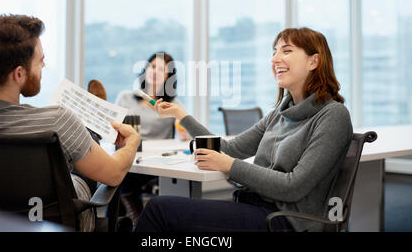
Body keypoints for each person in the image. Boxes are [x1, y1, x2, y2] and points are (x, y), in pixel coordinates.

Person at [135, 27, 353, 232]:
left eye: (286, 51)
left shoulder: (333, 116)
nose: (275, 59)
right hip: (256, 207)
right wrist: (180, 115)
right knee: (162, 211)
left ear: (313, 61)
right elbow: (231, 148)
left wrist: (229, 166)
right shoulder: (280, 112)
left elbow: (292, 186)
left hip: (285, 220)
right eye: (274, 52)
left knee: (158, 211)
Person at [0, 14, 141, 231]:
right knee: (77, 164)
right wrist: (131, 141)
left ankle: (87, 133)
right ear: (19, 73)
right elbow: (113, 174)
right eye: (40, 60)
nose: (44, 64)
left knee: (69, 146)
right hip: (56, 223)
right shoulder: (57, 119)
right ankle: (90, 132)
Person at [115, 52, 189, 226]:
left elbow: (187, 134)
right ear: (145, 69)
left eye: (161, 69)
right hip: (130, 155)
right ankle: (137, 224)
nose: (154, 71)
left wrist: (184, 133)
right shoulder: (126, 97)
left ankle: (138, 225)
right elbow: (112, 128)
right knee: (122, 173)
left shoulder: (173, 105)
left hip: (157, 163)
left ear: (169, 77)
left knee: (123, 178)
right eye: (152, 66)